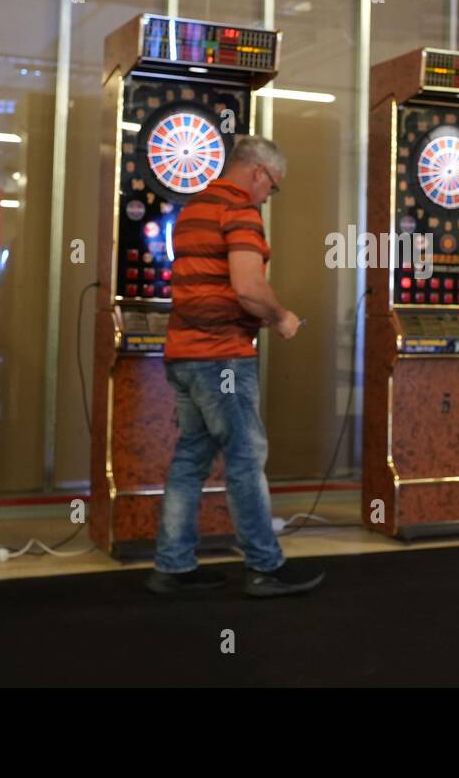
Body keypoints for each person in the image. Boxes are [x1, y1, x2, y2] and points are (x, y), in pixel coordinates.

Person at [146, 136, 325, 598]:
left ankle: (173, 566)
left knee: (191, 458)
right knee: (246, 459)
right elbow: (248, 286)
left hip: (183, 354)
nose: (269, 196)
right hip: (221, 357)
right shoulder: (240, 211)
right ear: (259, 173)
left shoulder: (191, 210)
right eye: (273, 187)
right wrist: (280, 316)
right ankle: (264, 566)